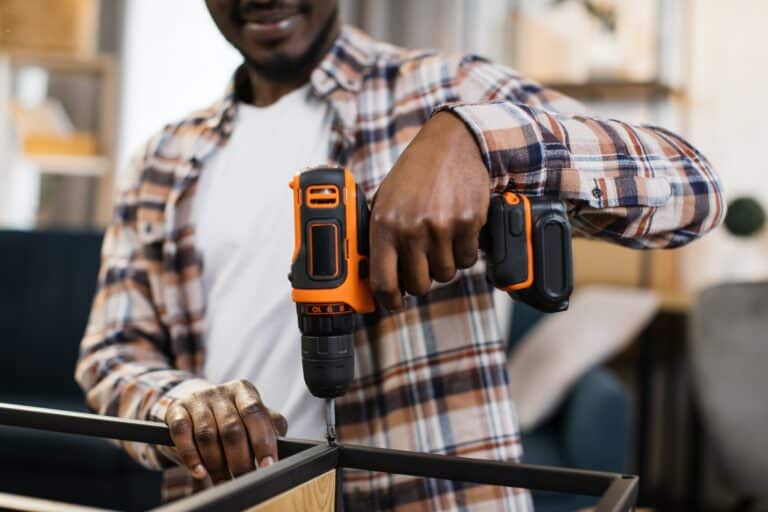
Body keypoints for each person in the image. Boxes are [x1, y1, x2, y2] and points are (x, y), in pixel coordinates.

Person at [76, 0, 724, 509]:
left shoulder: (447, 88)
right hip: (235, 498)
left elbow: (694, 189)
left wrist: (479, 140)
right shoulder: (161, 160)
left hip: (432, 500)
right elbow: (112, 354)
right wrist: (183, 402)